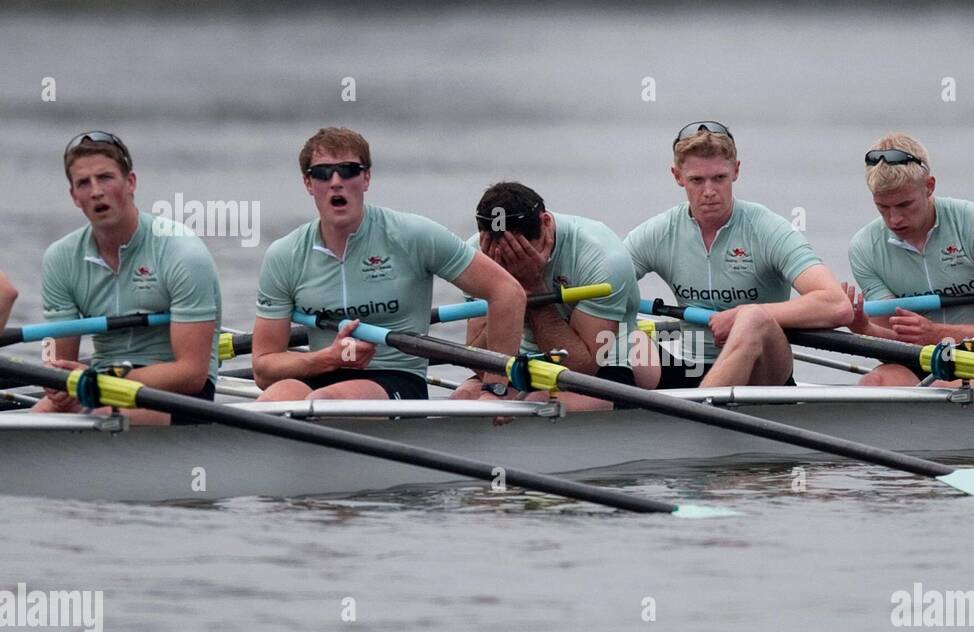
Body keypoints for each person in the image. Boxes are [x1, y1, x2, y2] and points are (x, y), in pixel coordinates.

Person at [253, 127, 525, 401]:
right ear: (308, 184)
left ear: (366, 178)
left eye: (348, 170)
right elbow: (264, 369)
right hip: (320, 372)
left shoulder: (414, 236)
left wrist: (497, 385)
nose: (336, 181)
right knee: (271, 401)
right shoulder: (284, 255)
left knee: (321, 402)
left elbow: (507, 292)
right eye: (323, 172)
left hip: (396, 377)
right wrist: (326, 359)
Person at [624, 121, 851, 389]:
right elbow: (602, 283)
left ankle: (700, 422)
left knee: (753, 318)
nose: (709, 191)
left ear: (736, 171)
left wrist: (743, 313)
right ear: (677, 176)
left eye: (719, 178)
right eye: (696, 180)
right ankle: (587, 413)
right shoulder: (660, 232)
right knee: (617, 333)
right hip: (688, 365)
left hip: (763, 376)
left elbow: (837, 304)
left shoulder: (767, 230)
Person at [34, 131, 222, 425]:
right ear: (74, 197)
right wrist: (56, 382)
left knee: (99, 415)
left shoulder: (182, 252)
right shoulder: (60, 259)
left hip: (178, 394)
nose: (96, 191)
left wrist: (103, 383)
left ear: (130, 182)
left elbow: (192, 374)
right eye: (84, 183)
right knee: (36, 417)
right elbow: (55, 358)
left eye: (106, 178)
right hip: (100, 387)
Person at [843, 133, 974, 395]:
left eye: (905, 205)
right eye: (883, 207)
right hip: (924, 358)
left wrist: (939, 333)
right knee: (873, 383)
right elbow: (895, 341)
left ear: (929, 186)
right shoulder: (864, 248)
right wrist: (863, 329)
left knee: (940, 389)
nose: (894, 220)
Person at [450, 181, 650, 408]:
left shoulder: (602, 256)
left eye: (520, 251)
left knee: (537, 401)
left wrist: (533, 289)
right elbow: (480, 361)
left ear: (546, 223)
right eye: (501, 254)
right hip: (520, 365)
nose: (510, 259)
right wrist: (503, 289)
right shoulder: (476, 255)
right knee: (462, 398)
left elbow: (581, 367)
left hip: (605, 368)